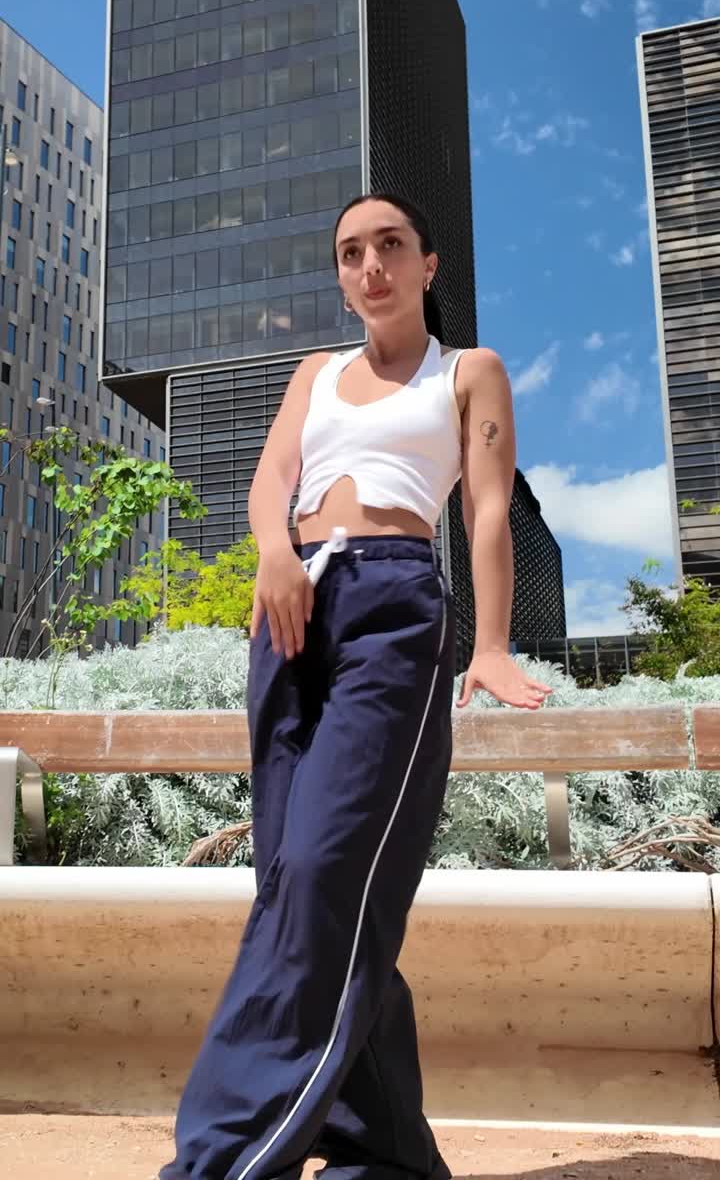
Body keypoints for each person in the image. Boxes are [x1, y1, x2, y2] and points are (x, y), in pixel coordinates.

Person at [158, 193, 552, 1180]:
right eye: (350, 252)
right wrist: (272, 553)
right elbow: (269, 480)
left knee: (330, 868)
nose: (369, 265)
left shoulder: (468, 371)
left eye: (389, 247)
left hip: (392, 609)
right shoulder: (314, 372)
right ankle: (388, 1154)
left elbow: (490, 509)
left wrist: (490, 643)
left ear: (425, 264)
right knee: (295, 879)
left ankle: (222, 1154)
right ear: (341, 274)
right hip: (290, 612)